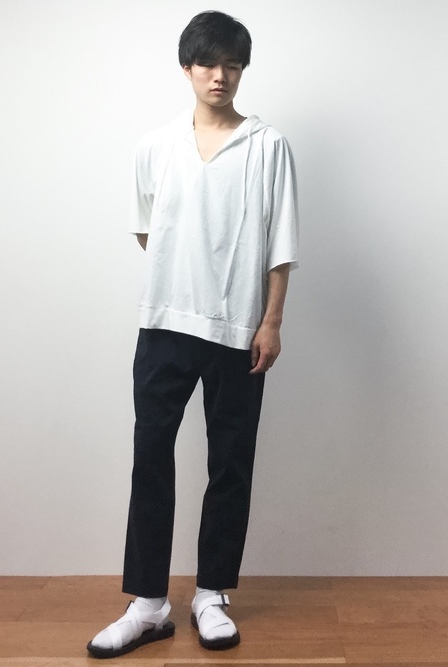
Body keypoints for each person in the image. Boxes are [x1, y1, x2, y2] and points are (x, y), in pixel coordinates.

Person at [87, 9, 299, 659]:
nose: (220, 76)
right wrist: (186, 278)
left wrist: (270, 321)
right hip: (164, 324)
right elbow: (148, 230)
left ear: (243, 71)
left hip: (239, 329)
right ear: (187, 67)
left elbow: (280, 244)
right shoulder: (155, 145)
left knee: (230, 462)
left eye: (233, 65)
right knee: (150, 457)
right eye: (208, 63)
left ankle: (211, 594)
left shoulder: (267, 146)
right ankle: (148, 603)